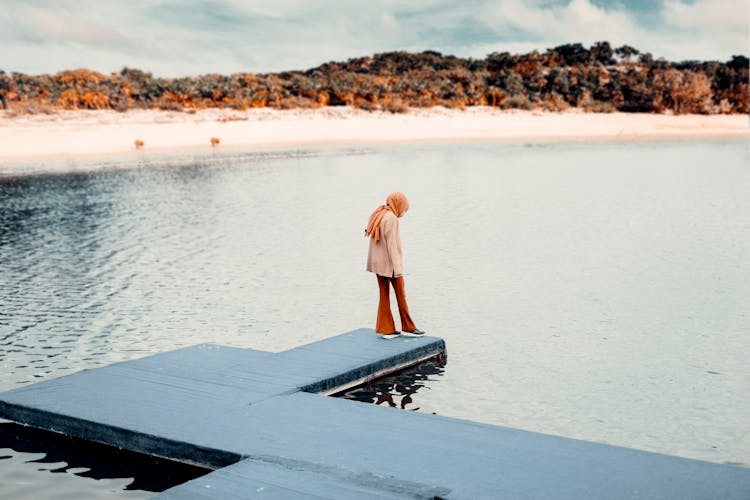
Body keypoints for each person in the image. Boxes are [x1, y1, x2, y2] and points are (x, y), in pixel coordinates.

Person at [365, 192, 425, 338]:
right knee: (401, 295)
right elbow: (392, 246)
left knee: (384, 295)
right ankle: (409, 328)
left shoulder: (379, 214)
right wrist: (398, 270)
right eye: (404, 209)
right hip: (389, 265)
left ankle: (386, 329)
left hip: (378, 264)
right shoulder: (391, 218)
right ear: (398, 205)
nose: (404, 213)